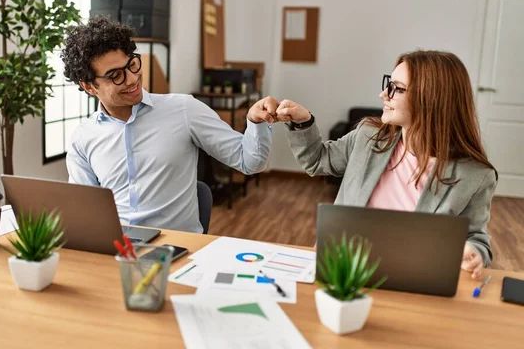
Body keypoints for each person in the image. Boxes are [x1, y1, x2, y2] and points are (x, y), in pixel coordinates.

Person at [275, 50, 497, 279]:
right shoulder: (368, 137)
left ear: (431, 99)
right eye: (388, 84)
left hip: (414, 280)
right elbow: (317, 160)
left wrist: (475, 253)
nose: (383, 94)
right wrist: (303, 122)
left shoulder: (476, 176)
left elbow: (477, 238)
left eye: (397, 88)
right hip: (340, 272)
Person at [61, 16, 278, 233]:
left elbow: (250, 161)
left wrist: (255, 122)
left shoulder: (183, 109)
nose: (131, 79)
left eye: (132, 64)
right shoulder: (83, 138)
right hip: (118, 251)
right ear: (89, 86)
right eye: (115, 75)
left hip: (177, 249)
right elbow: (85, 211)